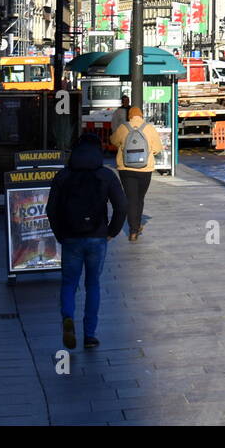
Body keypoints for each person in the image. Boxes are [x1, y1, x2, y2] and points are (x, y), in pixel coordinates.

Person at [46, 134, 126, 350]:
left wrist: (60, 234)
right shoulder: (106, 175)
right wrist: (112, 232)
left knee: (69, 282)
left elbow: (50, 210)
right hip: (97, 237)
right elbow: (121, 207)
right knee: (93, 285)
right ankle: (90, 335)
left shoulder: (62, 176)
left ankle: (67, 318)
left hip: (71, 237)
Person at [109, 105, 164, 242]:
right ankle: (137, 226)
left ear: (129, 116)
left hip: (126, 169)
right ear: (142, 115)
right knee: (140, 198)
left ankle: (133, 230)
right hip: (145, 169)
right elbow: (158, 148)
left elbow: (113, 141)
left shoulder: (123, 127)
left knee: (131, 198)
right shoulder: (149, 128)